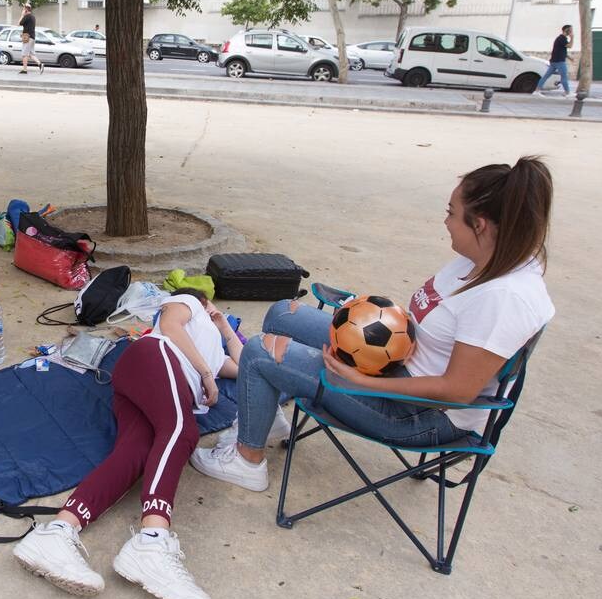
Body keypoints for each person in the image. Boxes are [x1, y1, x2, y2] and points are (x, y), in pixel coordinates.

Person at [191, 157, 555, 494]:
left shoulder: (504, 298)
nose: (445, 220)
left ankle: (246, 461)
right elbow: (428, 328)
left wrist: (363, 380)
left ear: (480, 225)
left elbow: (458, 391)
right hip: (396, 368)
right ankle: (266, 419)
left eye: (452, 213)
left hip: (416, 414)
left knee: (258, 352)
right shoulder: (479, 260)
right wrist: (368, 316)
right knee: (283, 314)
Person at [12, 288, 241, 599]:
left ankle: (58, 531)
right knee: (180, 430)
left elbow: (244, 368)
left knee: (134, 454)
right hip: (154, 357)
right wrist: (205, 371)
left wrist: (226, 330)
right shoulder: (189, 304)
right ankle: (152, 540)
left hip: (147, 384)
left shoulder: (213, 349)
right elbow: (172, 328)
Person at [538, 25, 573, 95]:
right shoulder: (562, 38)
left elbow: (560, 50)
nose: (571, 32)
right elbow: (570, 46)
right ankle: (567, 92)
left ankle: (536, 90)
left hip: (554, 61)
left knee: (546, 76)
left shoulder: (560, 38)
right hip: (559, 62)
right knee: (564, 77)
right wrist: (572, 38)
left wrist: (569, 57)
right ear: (566, 30)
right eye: (570, 30)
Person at [19, 2, 43, 74]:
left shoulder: (27, 16)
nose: (23, 10)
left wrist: (22, 15)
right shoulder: (33, 16)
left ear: (26, 10)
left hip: (27, 37)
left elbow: (19, 23)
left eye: (23, 9)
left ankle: (25, 70)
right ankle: (40, 64)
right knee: (31, 54)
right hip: (32, 37)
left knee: (24, 54)